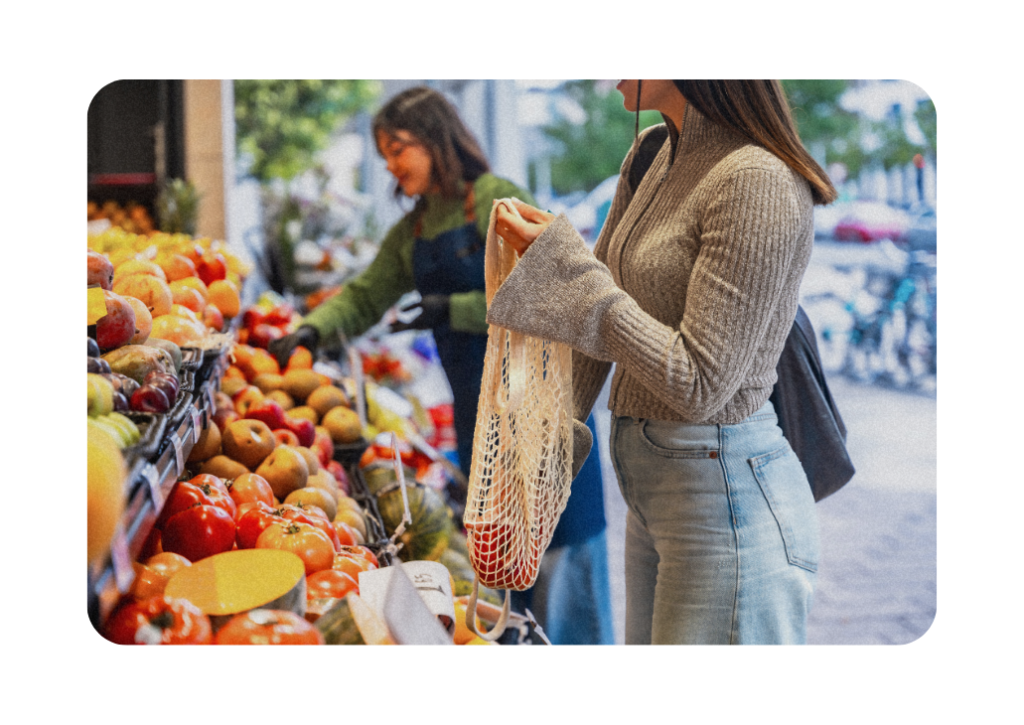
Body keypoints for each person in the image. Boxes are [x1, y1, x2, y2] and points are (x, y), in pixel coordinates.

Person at [489, 79, 838, 646]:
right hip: (654, 493)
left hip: (723, 496)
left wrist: (567, 270)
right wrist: (545, 455)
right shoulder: (654, 150)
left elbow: (700, 383)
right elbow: (595, 306)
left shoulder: (757, 179)